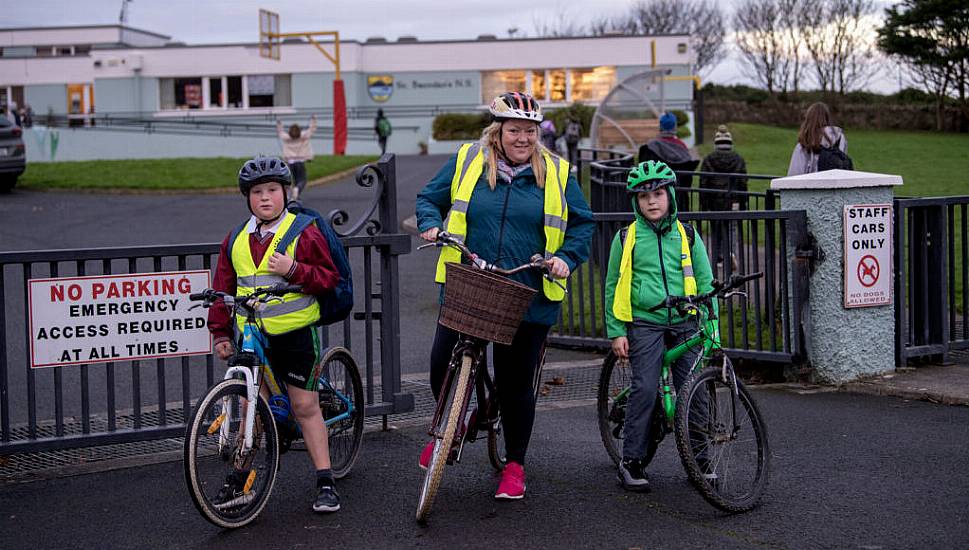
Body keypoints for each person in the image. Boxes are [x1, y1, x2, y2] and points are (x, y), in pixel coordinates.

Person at [415, 91, 594, 500]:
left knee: (515, 385)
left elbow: (583, 223)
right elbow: (429, 198)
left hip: (528, 292)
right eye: (514, 130)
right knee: (440, 363)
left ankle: (514, 465)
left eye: (530, 131)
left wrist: (565, 257)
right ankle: (454, 423)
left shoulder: (558, 173)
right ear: (497, 132)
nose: (522, 138)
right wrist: (429, 223)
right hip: (469, 281)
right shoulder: (467, 161)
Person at [207, 155, 342, 513]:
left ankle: (326, 481)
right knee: (254, 407)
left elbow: (328, 278)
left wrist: (294, 268)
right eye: (256, 192)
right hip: (253, 336)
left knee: (304, 406)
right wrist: (221, 331)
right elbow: (223, 289)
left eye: (272, 190)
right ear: (246, 197)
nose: (265, 198)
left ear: (286, 192)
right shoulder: (236, 238)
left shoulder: (303, 231)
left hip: (294, 334)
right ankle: (237, 481)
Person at [603, 160, 716, 492]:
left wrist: (710, 319)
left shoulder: (687, 235)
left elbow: (706, 281)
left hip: (685, 321)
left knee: (694, 391)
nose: (651, 201)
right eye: (643, 196)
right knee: (646, 389)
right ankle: (631, 460)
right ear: (636, 202)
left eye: (658, 194)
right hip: (646, 322)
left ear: (670, 196)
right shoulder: (626, 238)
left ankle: (700, 459)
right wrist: (617, 330)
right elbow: (613, 286)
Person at [699, 125, 748, 272]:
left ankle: (717, 257)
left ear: (716, 143)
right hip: (733, 200)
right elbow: (742, 182)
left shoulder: (708, 159)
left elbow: (703, 181)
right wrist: (743, 201)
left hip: (714, 200)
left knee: (716, 229)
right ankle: (730, 253)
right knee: (732, 228)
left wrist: (704, 202)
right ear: (730, 143)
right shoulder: (738, 159)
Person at [638, 112, 698, 213]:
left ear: (660, 127)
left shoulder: (650, 147)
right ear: (675, 127)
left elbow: (644, 174)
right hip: (680, 199)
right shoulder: (682, 148)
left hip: (656, 201)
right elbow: (688, 178)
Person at [787, 102, 849, 176]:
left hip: (812, 185)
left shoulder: (805, 143)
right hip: (836, 184)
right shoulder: (840, 139)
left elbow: (794, 176)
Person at [276, 115, 317, 199]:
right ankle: (297, 190)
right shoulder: (304, 136)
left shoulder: (286, 138)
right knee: (302, 180)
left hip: (290, 162)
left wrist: (279, 123)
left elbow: (280, 132)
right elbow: (312, 129)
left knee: (292, 179)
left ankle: (292, 194)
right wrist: (313, 119)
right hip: (300, 161)